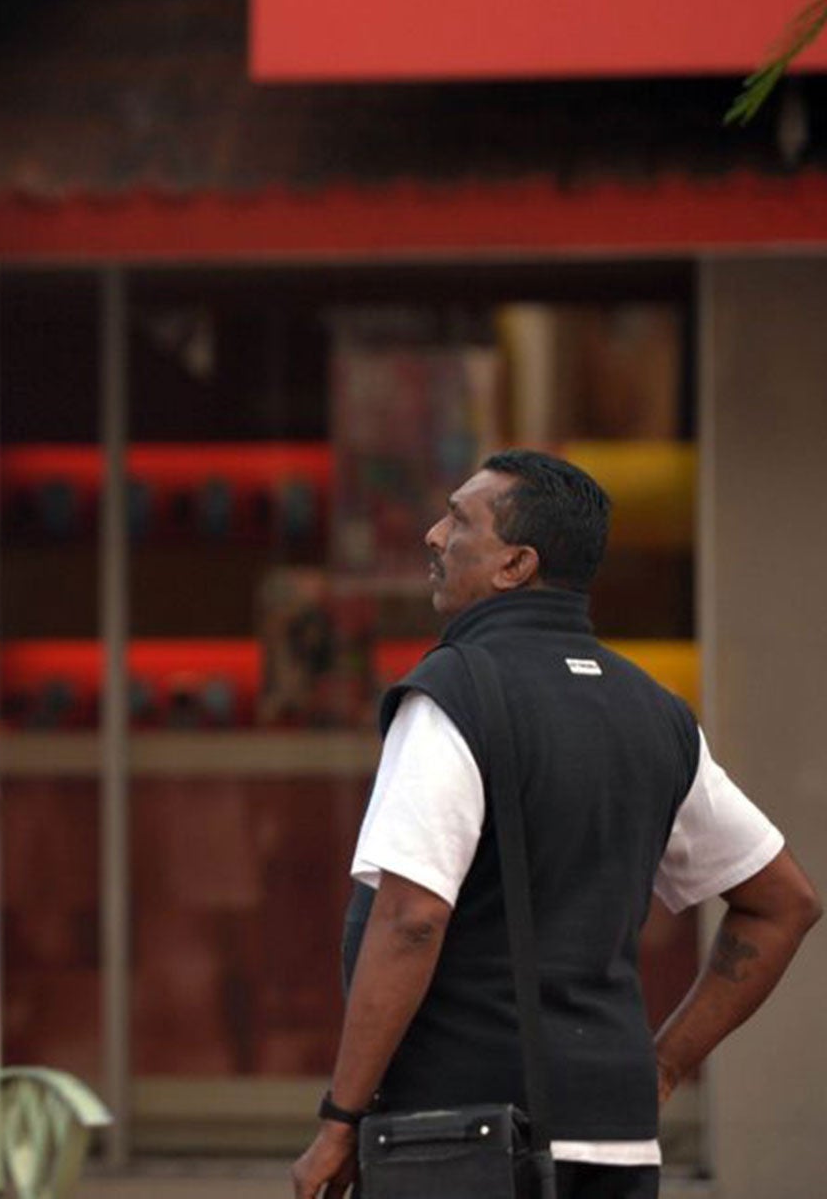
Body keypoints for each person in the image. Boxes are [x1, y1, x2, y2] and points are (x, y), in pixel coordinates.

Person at [292, 450, 821, 1199]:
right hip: (617, 1140)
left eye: (460, 520)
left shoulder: (453, 694)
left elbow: (411, 917)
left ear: (516, 565)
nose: (434, 537)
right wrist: (661, 1064)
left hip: (464, 1143)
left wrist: (339, 1120)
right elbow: (785, 902)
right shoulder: (655, 711)